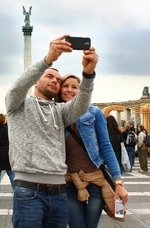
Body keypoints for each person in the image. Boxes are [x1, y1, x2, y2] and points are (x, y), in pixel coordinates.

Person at [5, 34, 98, 228]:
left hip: (59, 193)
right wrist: (48, 59)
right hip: (28, 191)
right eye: (49, 76)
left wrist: (88, 74)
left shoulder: (60, 111)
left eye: (58, 79)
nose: (55, 81)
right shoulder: (18, 104)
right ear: (35, 82)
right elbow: (16, 87)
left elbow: (81, 105)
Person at [56, 74, 128, 228]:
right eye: (66, 86)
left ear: (81, 90)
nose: (69, 90)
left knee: (91, 226)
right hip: (69, 182)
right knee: (77, 225)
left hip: (95, 182)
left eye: (74, 87)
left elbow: (106, 147)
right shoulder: (55, 114)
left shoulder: (94, 112)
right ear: (60, 89)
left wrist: (118, 181)